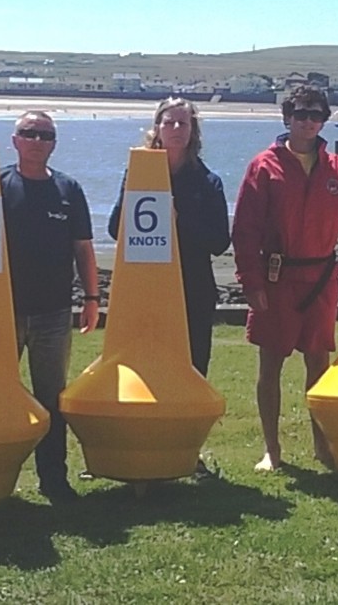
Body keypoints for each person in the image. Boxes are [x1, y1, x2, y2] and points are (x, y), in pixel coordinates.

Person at [0, 111, 99, 504]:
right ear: (15, 141)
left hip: (53, 312)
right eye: (29, 133)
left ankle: (54, 478)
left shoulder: (68, 188)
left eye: (45, 134)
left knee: (51, 398)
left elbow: (83, 248)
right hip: (1, 313)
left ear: (54, 143)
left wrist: (93, 298)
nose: (37, 140)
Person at [231, 85, 338, 472]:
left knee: (319, 364)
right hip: (277, 277)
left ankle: (322, 447)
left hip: (320, 279)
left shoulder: (337, 168)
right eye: (301, 114)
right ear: (287, 118)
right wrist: (252, 283)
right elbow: (245, 229)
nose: (309, 122)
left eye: (316, 115)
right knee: (270, 366)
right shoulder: (264, 166)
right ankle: (271, 450)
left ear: (324, 120)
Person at [107, 98, 231, 476]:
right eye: (169, 123)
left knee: (191, 371)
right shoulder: (138, 172)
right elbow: (116, 229)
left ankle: (187, 453)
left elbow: (219, 241)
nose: (176, 129)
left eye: (183, 123)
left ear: (193, 131)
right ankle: (132, 448)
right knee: (137, 370)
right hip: (143, 293)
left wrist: (178, 219)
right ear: (156, 127)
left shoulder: (207, 181)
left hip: (192, 290)